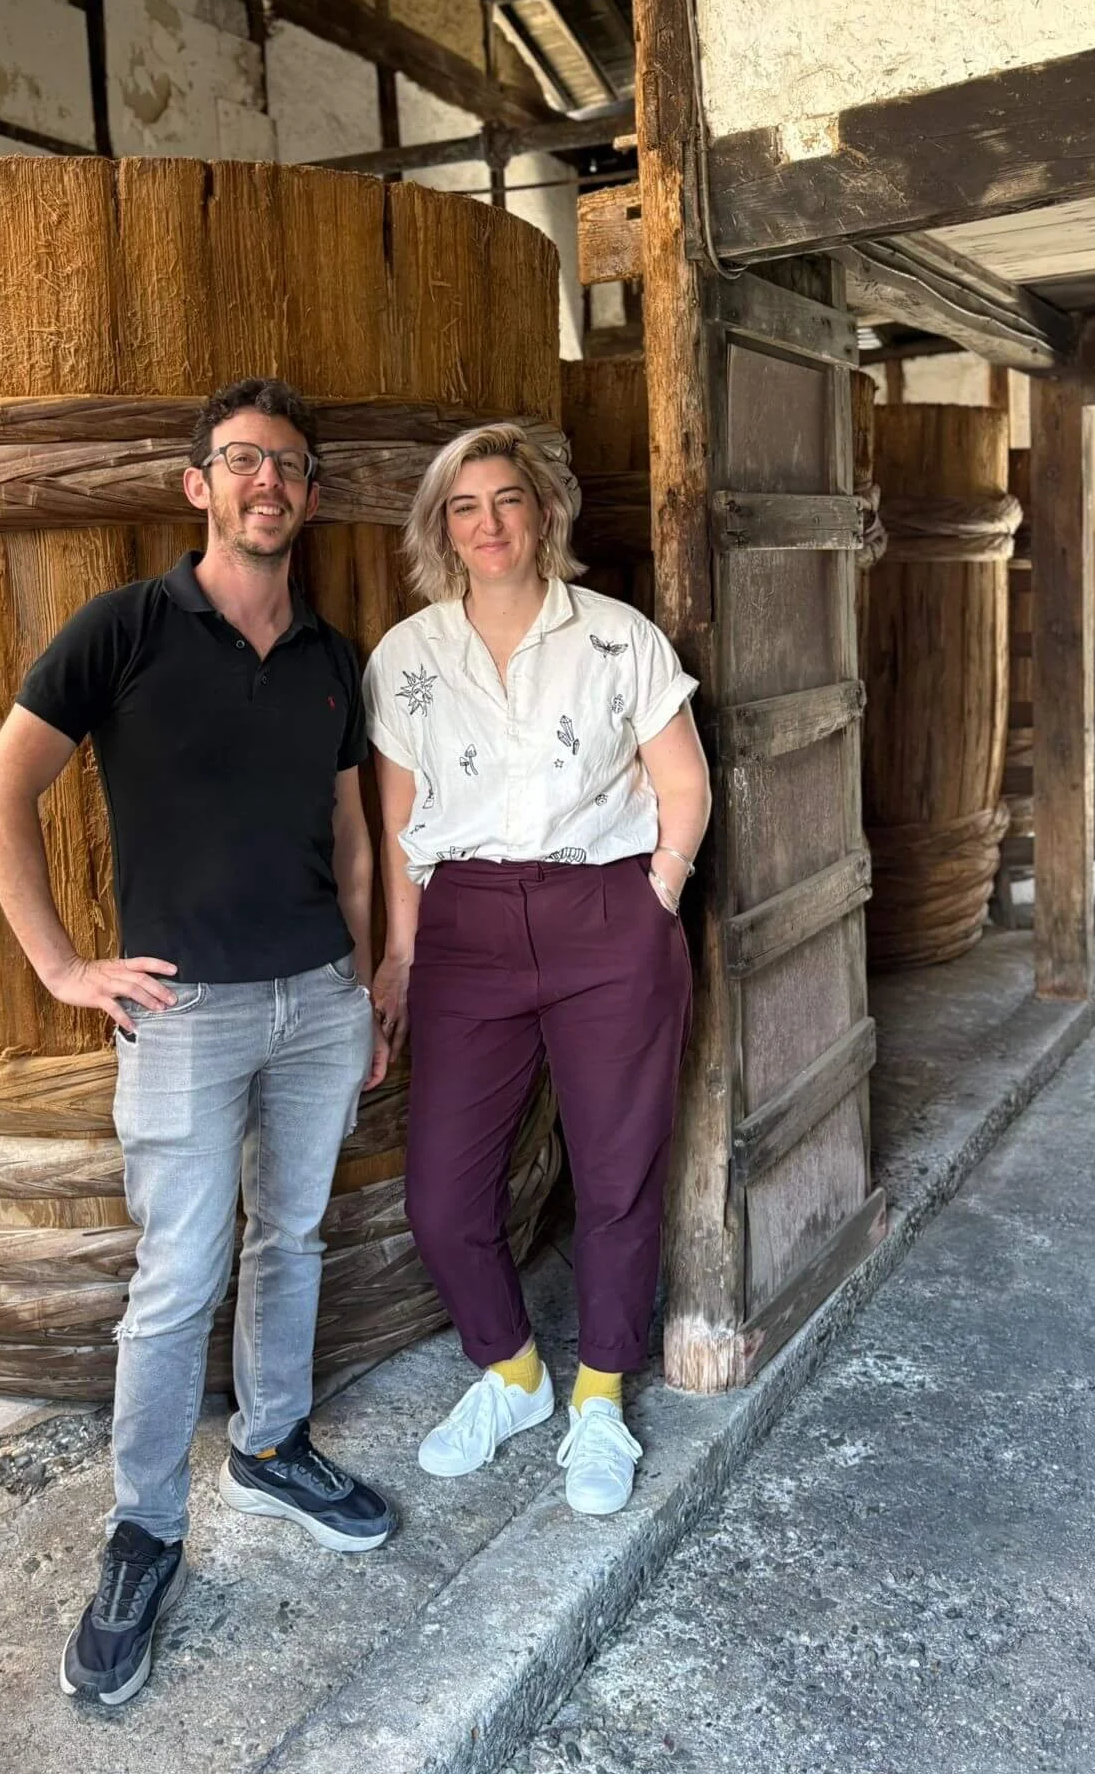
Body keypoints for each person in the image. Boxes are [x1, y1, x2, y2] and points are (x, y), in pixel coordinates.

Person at [0, 377, 392, 1709]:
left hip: (319, 998)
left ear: (310, 499)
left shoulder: (330, 658)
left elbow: (349, 840)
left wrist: (372, 976)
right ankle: (145, 1530)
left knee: (293, 1238)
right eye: (243, 462)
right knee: (178, 1274)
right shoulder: (124, 630)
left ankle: (269, 1452)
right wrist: (59, 966)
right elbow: (1, 797)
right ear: (199, 486)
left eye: (289, 468)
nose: (268, 483)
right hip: (185, 1015)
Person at [364, 421, 710, 1517]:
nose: (489, 522)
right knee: (442, 1193)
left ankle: (600, 1394)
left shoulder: (617, 638)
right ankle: (511, 1371)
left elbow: (685, 781)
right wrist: (402, 955)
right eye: (465, 506)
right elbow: (399, 822)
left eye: (507, 499)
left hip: (606, 912)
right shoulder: (407, 657)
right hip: (464, 923)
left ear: (544, 512)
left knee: (616, 1170)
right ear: (442, 528)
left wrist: (651, 894)